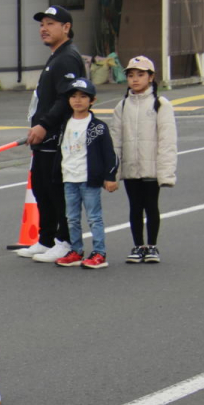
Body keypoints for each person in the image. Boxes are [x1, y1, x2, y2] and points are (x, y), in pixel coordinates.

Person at [19, 5, 86, 264]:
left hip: (58, 137)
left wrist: (44, 124)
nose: (43, 29)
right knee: (41, 187)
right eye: (41, 24)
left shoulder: (68, 57)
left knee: (57, 190)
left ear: (66, 28)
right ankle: (46, 239)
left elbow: (65, 98)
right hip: (44, 137)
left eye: (50, 23)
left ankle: (65, 241)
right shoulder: (56, 56)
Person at [111, 56, 176, 264]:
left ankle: (152, 246)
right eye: (131, 75)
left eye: (140, 75)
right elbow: (115, 141)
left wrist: (165, 172)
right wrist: (113, 171)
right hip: (131, 166)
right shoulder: (121, 106)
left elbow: (167, 140)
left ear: (151, 77)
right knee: (135, 207)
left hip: (151, 167)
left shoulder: (160, 104)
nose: (135, 79)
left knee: (151, 205)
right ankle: (138, 245)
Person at [54, 78, 118, 269]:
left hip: (89, 178)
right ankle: (76, 250)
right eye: (73, 96)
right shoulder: (64, 124)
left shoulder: (98, 127)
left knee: (93, 217)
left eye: (83, 96)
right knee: (71, 217)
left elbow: (109, 154)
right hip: (69, 177)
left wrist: (110, 176)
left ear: (92, 100)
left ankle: (99, 252)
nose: (78, 100)